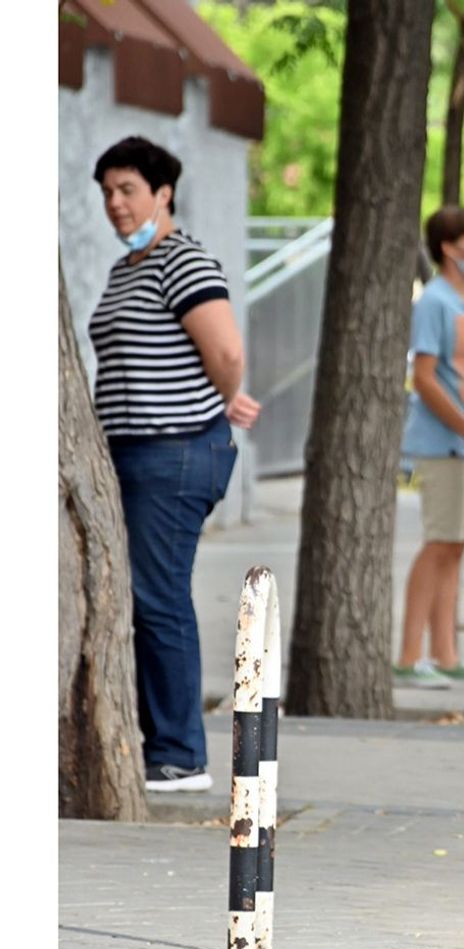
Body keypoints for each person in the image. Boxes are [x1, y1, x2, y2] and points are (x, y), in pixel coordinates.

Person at [89, 136, 260, 793]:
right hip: (133, 452)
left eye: (128, 189)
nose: (115, 203)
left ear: (163, 193)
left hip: (176, 451)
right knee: (140, 594)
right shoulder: (126, 268)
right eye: (107, 192)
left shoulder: (183, 260)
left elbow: (225, 348)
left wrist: (219, 400)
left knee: (159, 598)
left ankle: (182, 753)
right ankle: (161, 740)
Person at [394, 207, 464, 689]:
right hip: (445, 443)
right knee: (438, 542)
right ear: (448, 247)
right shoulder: (434, 302)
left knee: (455, 547)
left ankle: (445, 652)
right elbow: (425, 379)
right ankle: (409, 656)